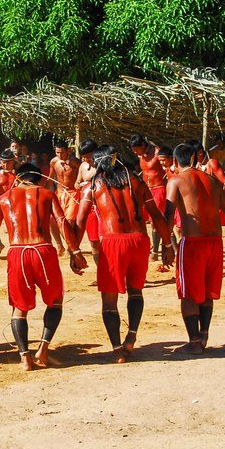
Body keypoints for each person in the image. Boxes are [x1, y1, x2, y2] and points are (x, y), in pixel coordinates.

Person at [76, 147, 173, 362]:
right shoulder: (135, 181)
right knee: (136, 291)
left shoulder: (93, 185)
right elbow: (156, 215)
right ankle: (131, 336)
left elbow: (80, 220)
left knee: (109, 300)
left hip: (113, 242)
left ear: (97, 162)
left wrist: (75, 251)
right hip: (139, 240)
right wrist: (167, 244)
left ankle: (117, 348)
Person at [0, 163, 86, 370]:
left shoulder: (4, 198)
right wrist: (74, 251)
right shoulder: (46, 195)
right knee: (55, 301)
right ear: (39, 179)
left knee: (19, 309)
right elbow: (61, 222)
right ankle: (43, 348)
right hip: (43, 250)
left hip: (17, 252)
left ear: (19, 178)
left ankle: (25, 358)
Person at [164, 144, 225, 353]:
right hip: (215, 242)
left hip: (193, 242)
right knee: (207, 291)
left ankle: (194, 342)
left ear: (174, 162)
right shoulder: (212, 180)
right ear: (193, 158)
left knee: (188, 294)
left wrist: (166, 244)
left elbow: (168, 214)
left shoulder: (176, 181)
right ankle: (204, 335)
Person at [130, 134, 169, 263]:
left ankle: (155, 251)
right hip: (146, 189)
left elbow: (167, 168)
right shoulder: (140, 155)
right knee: (141, 217)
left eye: (136, 149)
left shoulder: (157, 152)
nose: (135, 152)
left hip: (159, 188)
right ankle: (150, 246)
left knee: (155, 220)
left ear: (143, 145)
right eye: (133, 150)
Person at [47, 141, 80, 255]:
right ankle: (59, 245)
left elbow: (83, 174)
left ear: (68, 151)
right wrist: (45, 193)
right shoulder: (54, 162)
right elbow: (50, 179)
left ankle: (70, 246)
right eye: (57, 153)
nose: (59, 155)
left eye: (62, 152)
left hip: (73, 193)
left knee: (69, 221)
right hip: (59, 193)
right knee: (51, 219)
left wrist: (79, 183)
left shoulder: (75, 162)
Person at [74, 139, 100, 268]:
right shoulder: (83, 166)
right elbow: (76, 183)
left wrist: (92, 184)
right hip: (89, 208)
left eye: (88, 156)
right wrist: (80, 185)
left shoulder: (102, 166)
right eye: (83, 156)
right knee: (94, 241)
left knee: (107, 241)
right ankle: (102, 273)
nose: (85, 159)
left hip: (103, 208)